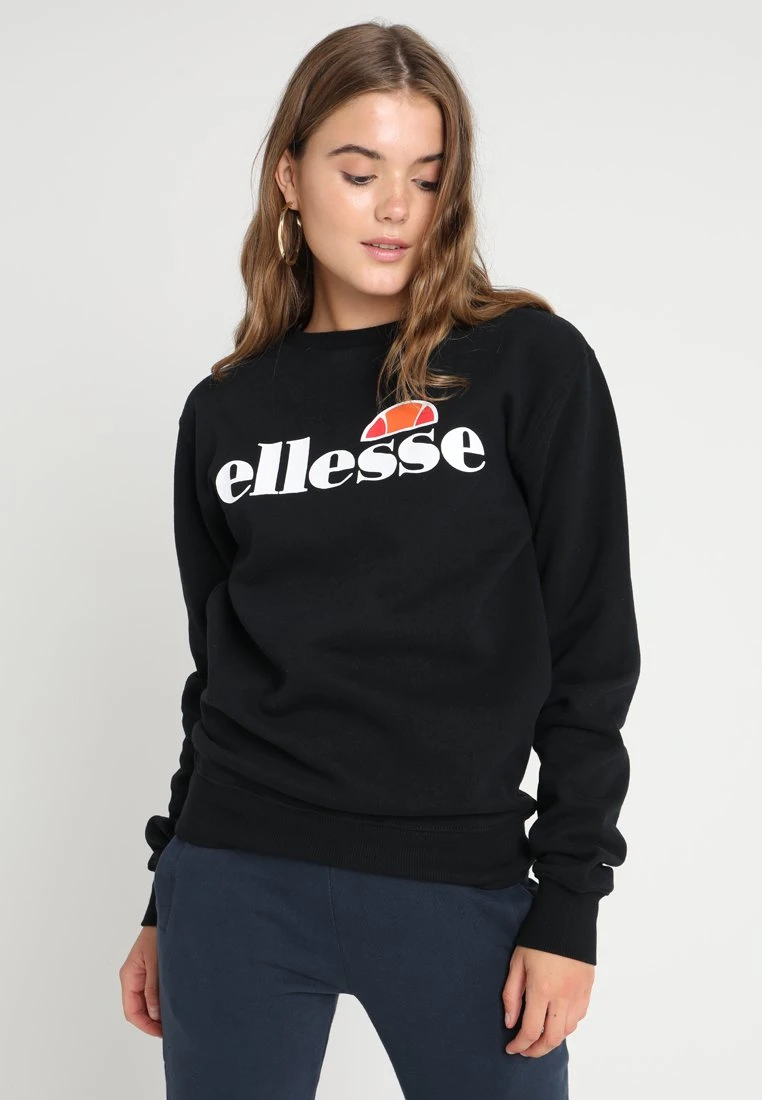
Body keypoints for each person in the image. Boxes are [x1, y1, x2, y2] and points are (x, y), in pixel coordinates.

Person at [119, 20, 641, 1100]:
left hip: (457, 880)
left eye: (427, 176)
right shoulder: (226, 411)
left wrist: (569, 903)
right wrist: (165, 898)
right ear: (290, 179)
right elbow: (220, 671)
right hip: (235, 877)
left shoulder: (528, 366)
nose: (396, 206)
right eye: (359, 173)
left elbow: (591, 651)